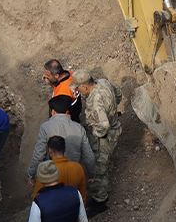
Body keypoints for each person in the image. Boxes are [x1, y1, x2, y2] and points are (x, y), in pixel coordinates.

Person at [74, 69, 122, 214]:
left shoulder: (95, 100)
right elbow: (118, 93)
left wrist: (93, 135)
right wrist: (112, 109)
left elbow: (103, 125)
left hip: (105, 137)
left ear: (85, 86)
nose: (77, 90)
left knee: (97, 168)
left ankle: (100, 201)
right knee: (103, 164)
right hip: (115, 127)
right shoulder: (102, 82)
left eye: (78, 87)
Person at [26, 94, 95, 182]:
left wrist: (30, 174)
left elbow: (39, 155)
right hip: (73, 174)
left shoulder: (46, 127)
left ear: (53, 112)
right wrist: (91, 174)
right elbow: (88, 155)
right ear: (67, 112)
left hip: (52, 175)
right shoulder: (79, 128)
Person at [31, 135, 87, 202]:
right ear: (64, 149)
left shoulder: (46, 170)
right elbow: (83, 195)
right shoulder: (78, 167)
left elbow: (36, 198)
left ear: (50, 150)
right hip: (74, 209)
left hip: (52, 210)